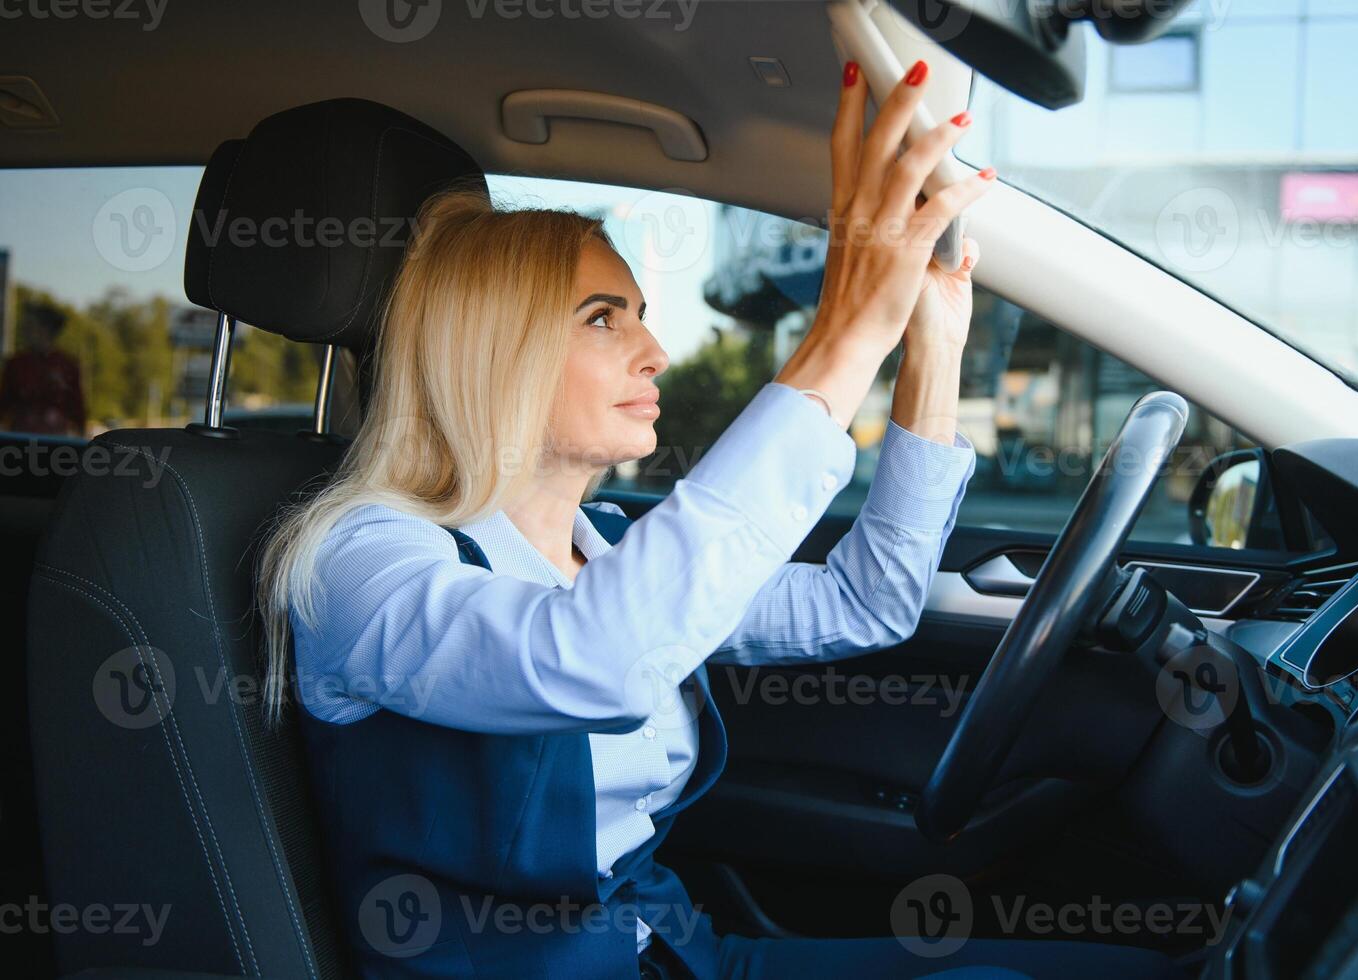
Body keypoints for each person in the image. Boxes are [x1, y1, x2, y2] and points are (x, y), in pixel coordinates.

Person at [258, 61, 1179, 980]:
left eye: (642, 317)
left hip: (676, 956)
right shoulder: (360, 556)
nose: (657, 352)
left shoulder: (605, 546)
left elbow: (868, 603)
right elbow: (591, 664)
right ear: (496, 352)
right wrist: (840, 338)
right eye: (602, 319)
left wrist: (928, 344)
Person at [0, 301, 86, 436]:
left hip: (56, 441)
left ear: (46, 329)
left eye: (30, 326)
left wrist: (82, 441)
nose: (24, 331)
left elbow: (77, 409)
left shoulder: (67, 365)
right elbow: (4, 404)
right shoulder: (15, 363)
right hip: (19, 439)